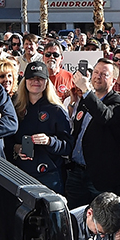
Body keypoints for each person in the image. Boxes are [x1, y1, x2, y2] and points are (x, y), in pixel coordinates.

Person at [65, 60, 120, 208]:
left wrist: (87, 91)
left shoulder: (118, 103)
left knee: (103, 220)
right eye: (96, 72)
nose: (98, 77)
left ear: (113, 81)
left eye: (104, 74)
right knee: (75, 215)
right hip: (76, 171)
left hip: (100, 176)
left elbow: (105, 117)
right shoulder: (84, 100)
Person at [8, 61, 72, 193]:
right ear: (24, 81)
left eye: (40, 78)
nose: (35, 81)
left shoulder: (56, 110)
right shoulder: (15, 107)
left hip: (49, 174)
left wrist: (49, 141)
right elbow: (6, 138)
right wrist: (16, 147)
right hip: (20, 173)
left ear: (46, 82)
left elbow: (68, 146)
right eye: (31, 78)